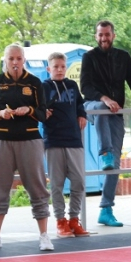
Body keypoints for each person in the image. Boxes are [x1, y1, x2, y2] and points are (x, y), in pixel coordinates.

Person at [80, 20, 131, 227]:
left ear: (113, 35)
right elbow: (85, 86)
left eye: (107, 34)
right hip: (96, 105)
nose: (104, 38)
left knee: (115, 165)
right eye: (100, 35)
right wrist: (104, 98)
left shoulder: (123, 57)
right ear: (96, 36)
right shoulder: (89, 57)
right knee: (103, 115)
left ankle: (106, 209)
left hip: (116, 112)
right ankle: (105, 152)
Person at [0, 44, 53, 251]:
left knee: (38, 188)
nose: (15, 63)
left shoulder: (34, 82)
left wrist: (29, 109)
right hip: (1, 141)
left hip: (29, 140)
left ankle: (44, 236)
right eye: (11, 59)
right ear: (5, 60)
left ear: (24, 60)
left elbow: (42, 113)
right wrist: (0, 114)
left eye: (18, 59)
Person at [43, 52, 89, 238]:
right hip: (53, 140)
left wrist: (82, 115)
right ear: (49, 69)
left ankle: (74, 219)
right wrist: (42, 112)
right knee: (57, 184)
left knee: (79, 181)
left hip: (73, 139)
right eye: (56, 67)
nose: (60, 70)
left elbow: (80, 104)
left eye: (62, 66)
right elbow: (38, 107)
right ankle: (60, 221)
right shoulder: (44, 87)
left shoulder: (72, 85)